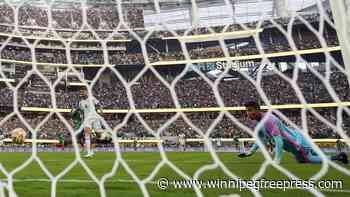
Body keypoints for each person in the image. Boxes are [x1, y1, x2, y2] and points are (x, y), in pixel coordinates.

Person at [238, 101, 348, 164]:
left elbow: (279, 141)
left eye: (250, 110)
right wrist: (249, 153)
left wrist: (277, 160)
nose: (248, 113)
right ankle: (333, 156)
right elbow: (261, 140)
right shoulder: (258, 122)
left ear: (258, 109)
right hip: (294, 142)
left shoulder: (268, 120)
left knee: (310, 159)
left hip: (297, 142)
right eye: (247, 110)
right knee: (302, 160)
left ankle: (338, 157)